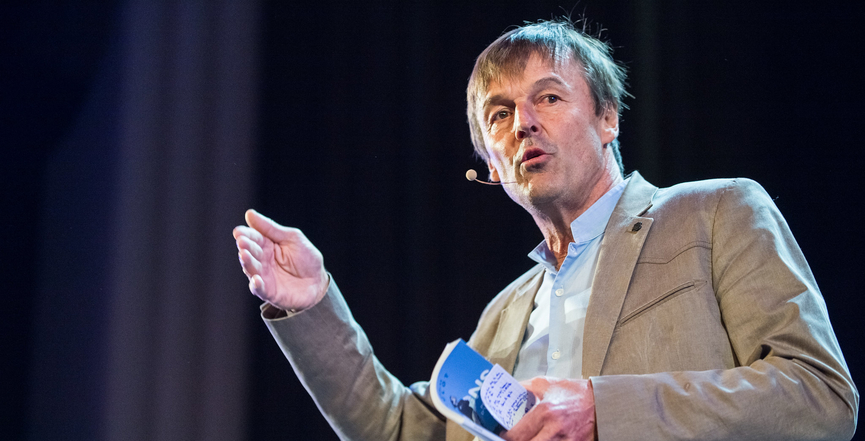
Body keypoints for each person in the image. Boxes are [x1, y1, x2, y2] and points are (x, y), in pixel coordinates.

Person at [233, 19, 858, 441]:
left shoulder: (716, 213)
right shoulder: (504, 314)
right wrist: (314, 306)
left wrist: (602, 411)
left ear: (608, 117)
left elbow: (819, 396)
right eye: (499, 115)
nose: (523, 123)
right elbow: (402, 430)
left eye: (550, 99)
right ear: (491, 164)